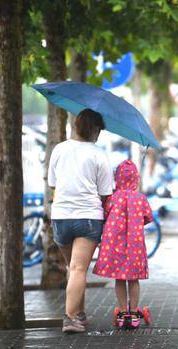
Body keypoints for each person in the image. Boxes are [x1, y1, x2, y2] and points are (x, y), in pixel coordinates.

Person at [48, 108, 113, 333]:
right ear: (95, 129)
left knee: (73, 267)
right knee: (78, 268)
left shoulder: (59, 149)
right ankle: (69, 318)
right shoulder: (99, 154)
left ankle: (79, 313)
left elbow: (53, 183)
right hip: (88, 218)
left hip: (61, 217)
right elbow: (106, 192)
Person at [93, 159, 153, 328]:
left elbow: (104, 214)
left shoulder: (112, 198)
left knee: (119, 278)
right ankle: (134, 313)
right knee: (133, 279)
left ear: (116, 178)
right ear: (136, 179)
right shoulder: (140, 199)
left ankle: (121, 312)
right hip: (134, 246)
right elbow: (147, 217)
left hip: (115, 245)